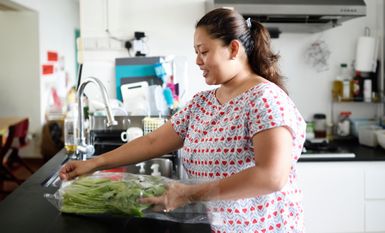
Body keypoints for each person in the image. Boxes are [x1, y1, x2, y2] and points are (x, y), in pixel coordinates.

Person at [60, 8, 306, 233]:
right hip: (215, 227)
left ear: (233, 49)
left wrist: (189, 194)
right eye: (196, 52)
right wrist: (94, 163)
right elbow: (152, 142)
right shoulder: (203, 102)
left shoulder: (265, 99)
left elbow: (271, 176)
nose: (198, 61)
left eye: (204, 51)